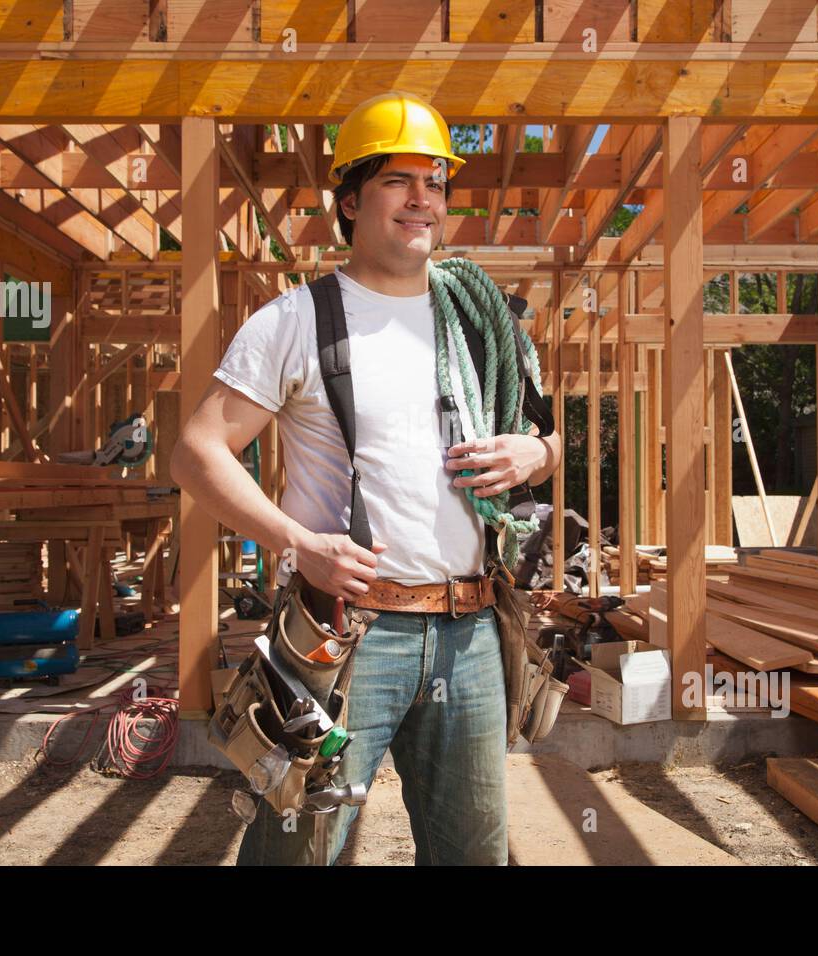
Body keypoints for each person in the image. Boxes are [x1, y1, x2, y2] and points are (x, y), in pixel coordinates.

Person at [170, 90, 562, 865]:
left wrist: (536, 456)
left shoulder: (481, 321)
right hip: (346, 635)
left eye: (436, 184)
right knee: (299, 848)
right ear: (350, 201)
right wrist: (299, 543)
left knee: (472, 854)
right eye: (399, 182)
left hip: (471, 632)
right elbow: (196, 452)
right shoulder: (297, 321)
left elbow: (549, 436)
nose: (424, 200)